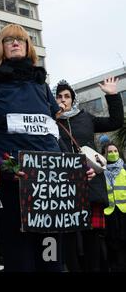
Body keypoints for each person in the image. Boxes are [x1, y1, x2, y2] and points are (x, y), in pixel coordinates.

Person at [0, 23, 70, 272]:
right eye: (9, 40)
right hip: (12, 185)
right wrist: (2, 166)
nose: (15, 43)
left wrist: (74, 166)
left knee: (52, 260)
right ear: (1, 48)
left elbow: (53, 132)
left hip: (49, 187)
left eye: (21, 40)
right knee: (20, 261)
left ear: (28, 47)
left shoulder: (42, 87)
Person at [54, 78, 123, 272]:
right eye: (59, 96)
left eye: (67, 96)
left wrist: (112, 95)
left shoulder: (86, 118)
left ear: (73, 100)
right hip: (63, 188)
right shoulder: (49, 121)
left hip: (90, 186)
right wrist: (53, 116)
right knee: (68, 238)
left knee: (92, 238)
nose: (63, 100)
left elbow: (115, 121)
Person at [102, 142, 126, 272]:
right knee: (111, 243)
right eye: (110, 152)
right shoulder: (101, 172)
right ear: (104, 154)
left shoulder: (124, 170)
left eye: (115, 151)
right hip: (109, 212)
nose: (113, 154)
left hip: (124, 212)